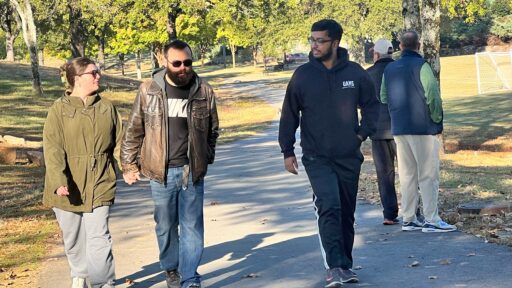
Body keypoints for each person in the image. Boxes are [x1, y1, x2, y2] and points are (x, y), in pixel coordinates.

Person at [278, 19, 379, 288]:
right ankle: (336, 266)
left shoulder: (355, 73)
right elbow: (289, 114)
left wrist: (360, 135)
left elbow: (372, 107)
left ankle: (344, 263)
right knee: (329, 206)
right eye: (312, 40)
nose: (314, 45)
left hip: (348, 156)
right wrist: (287, 150)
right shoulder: (302, 75)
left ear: (335, 42)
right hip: (316, 156)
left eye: (320, 40)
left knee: (346, 211)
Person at [121, 40, 219, 288]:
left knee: (192, 228)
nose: (183, 67)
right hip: (160, 172)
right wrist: (128, 165)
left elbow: (212, 130)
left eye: (188, 62)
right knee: (165, 226)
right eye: (177, 63)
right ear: (165, 62)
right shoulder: (149, 89)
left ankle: (190, 277)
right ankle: (171, 268)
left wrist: (205, 157)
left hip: (191, 170)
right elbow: (134, 129)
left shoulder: (203, 90)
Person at [43, 57, 122, 288]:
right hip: (68, 183)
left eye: (98, 72)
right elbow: (52, 147)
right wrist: (58, 180)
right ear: (77, 79)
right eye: (93, 73)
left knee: (99, 236)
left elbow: (120, 141)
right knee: (74, 237)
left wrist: (128, 167)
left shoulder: (107, 108)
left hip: (100, 180)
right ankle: (80, 276)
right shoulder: (58, 110)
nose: (99, 76)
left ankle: (104, 283)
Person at [380, 31, 457, 233]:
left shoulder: (389, 68)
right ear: (419, 45)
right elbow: (432, 94)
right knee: (428, 174)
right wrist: (437, 120)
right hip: (422, 127)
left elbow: (383, 96)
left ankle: (409, 217)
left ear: (401, 45)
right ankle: (431, 218)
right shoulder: (422, 66)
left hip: (399, 127)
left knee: (407, 175)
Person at [366, 38, 399, 225]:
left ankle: (389, 213)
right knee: (410, 172)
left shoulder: (367, 74)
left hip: (377, 130)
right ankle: (414, 211)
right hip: (401, 128)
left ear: (376, 54)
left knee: (384, 173)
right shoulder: (399, 70)